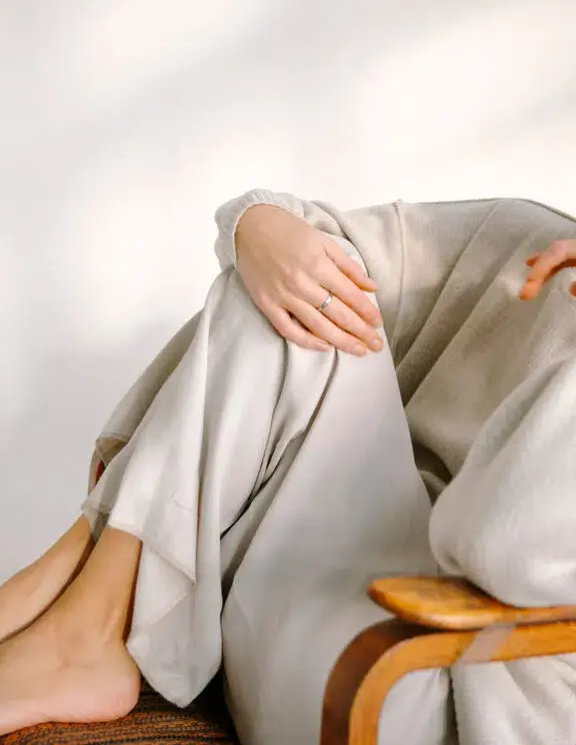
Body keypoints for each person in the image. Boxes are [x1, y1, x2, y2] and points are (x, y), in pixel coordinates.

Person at [1, 190, 576, 745]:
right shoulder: (526, 239)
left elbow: (496, 549)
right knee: (304, 290)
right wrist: (256, 228)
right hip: (288, 609)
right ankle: (80, 610)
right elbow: (315, 241)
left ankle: (74, 591)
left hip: (426, 683)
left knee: (311, 309)